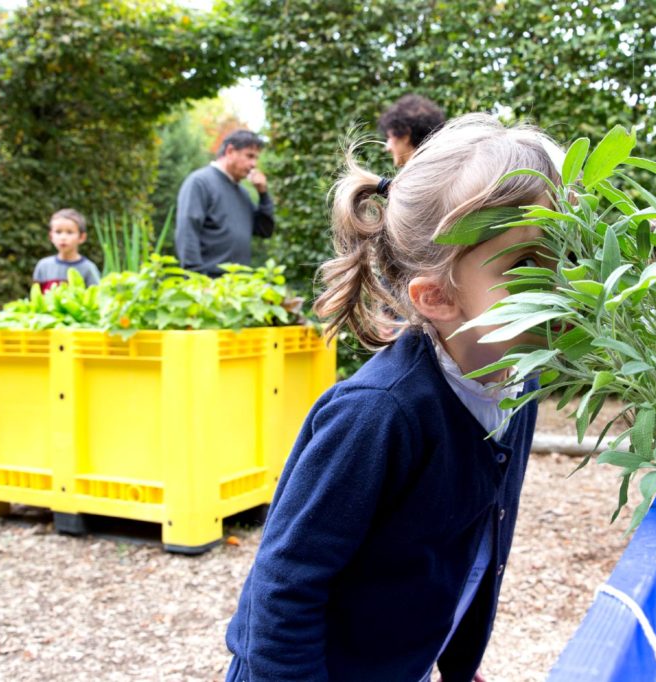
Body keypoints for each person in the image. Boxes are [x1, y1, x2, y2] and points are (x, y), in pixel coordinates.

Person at [224, 114, 566, 682]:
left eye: (569, 250)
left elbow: (471, 537)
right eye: (528, 266)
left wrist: (450, 657)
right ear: (436, 297)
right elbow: (284, 586)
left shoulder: (517, 383)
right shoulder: (379, 415)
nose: (565, 283)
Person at [175, 129, 275, 276]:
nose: (254, 164)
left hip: (237, 287)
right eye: (249, 156)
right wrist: (196, 279)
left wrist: (263, 193)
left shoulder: (243, 193)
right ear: (230, 151)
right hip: (208, 287)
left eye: (256, 158)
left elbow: (265, 230)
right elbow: (187, 231)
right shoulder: (200, 182)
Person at [32, 208, 100, 291]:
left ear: (82, 237)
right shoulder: (43, 266)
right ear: (51, 236)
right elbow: (36, 297)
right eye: (58, 232)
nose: (63, 237)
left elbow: (96, 297)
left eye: (69, 232)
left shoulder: (88, 268)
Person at [378, 93, 446, 167]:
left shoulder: (418, 176)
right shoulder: (443, 168)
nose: (388, 147)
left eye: (390, 137)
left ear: (405, 136)